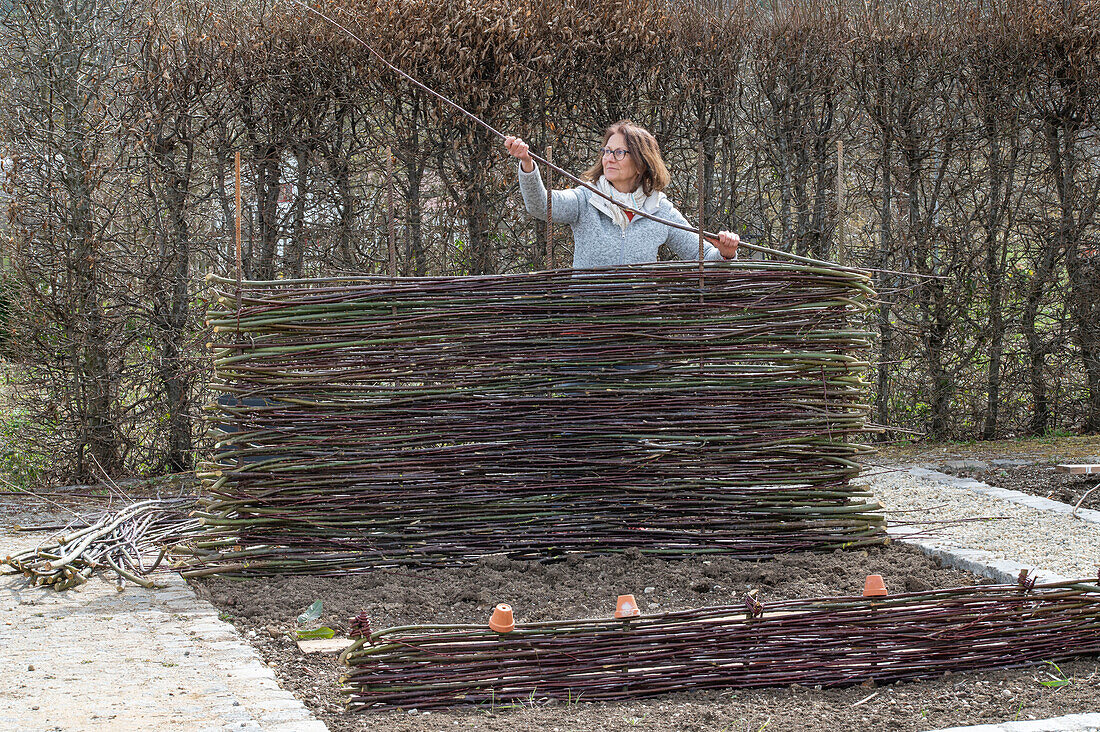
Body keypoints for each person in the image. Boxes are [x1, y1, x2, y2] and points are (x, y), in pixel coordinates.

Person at [504, 119, 739, 268]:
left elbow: (704, 255)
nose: (608, 158)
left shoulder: (659, 209)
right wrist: (527, 164)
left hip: (639, 329)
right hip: (588, 326)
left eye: (618, 152)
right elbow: (541, 206)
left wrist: (726, 253)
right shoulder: (586, 199)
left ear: (640, 163)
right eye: (606, 151)